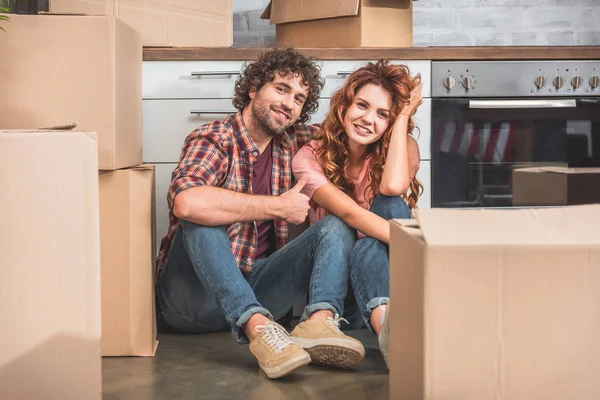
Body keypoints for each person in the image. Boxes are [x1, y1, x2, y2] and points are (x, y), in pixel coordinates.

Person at [154, 48, 368, 380]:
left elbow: (365, 137)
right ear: (254, 88)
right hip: (192, 303)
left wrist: (402, 118)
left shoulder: (296, 142)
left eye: (298, 99)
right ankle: (257, 328)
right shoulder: (214, 137)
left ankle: (318, 322)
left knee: (335, 225)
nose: (289, 103)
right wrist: (278, 206)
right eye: (281, 89)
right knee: (203, 213)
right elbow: (186, 203)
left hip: (260, 289)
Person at [291, 59, 423, 368]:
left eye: (382, 114)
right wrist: (420, 243)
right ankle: (384, 330)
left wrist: (403, 115)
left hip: (383, 287)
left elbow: (391, 185)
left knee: (389, 206)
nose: (367, 119)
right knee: (344, 226)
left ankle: (388, 331)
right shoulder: (308, 157)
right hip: (338, 297)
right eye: (361, 105)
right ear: (344, 106)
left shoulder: (403, 147)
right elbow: (350, 214)